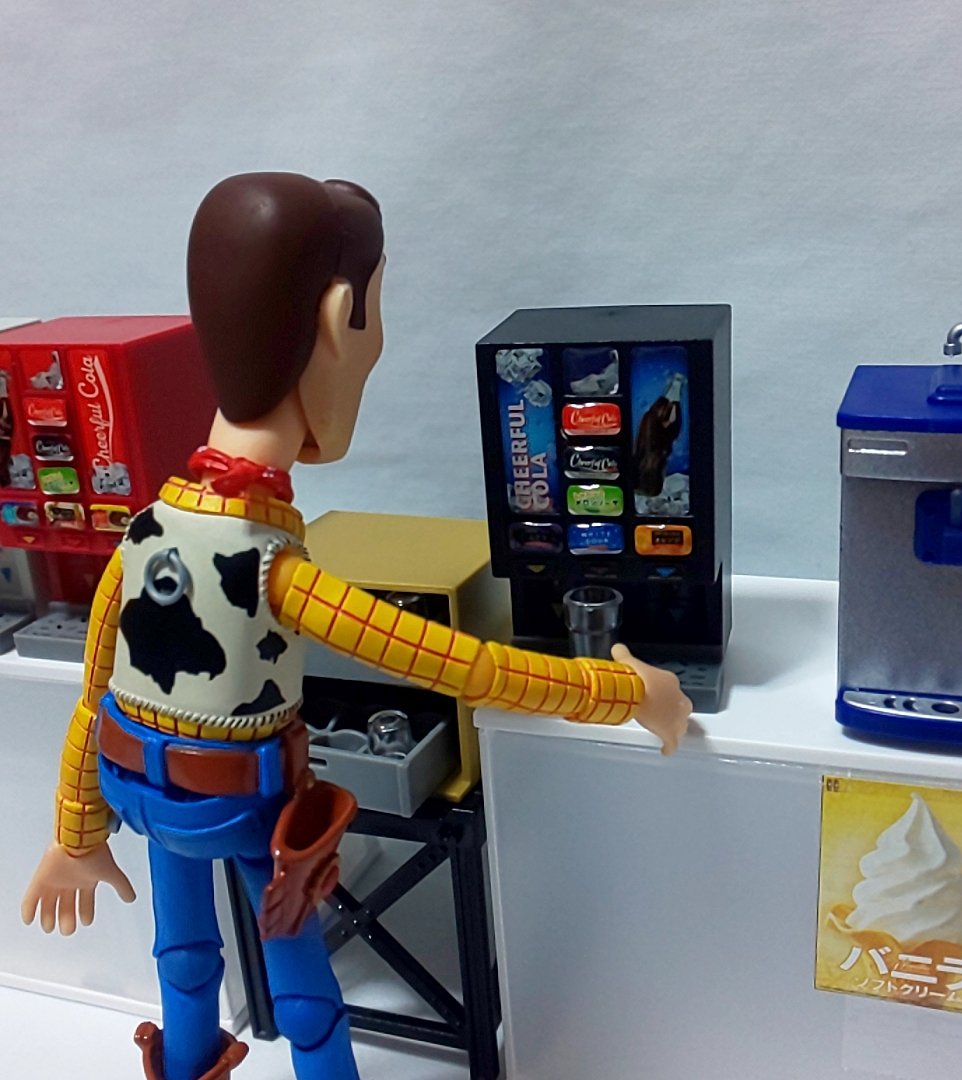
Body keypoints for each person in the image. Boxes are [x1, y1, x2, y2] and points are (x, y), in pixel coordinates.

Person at [21, 172, 692, 1080]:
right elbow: (464, 666)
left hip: (137, 792)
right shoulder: (274, 568)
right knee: (301, 991)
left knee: (184, 961)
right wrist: (624, 690)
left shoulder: (144, 531)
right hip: (241, 810)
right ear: (339, 323)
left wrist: (76, 832)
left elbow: (94, 689)